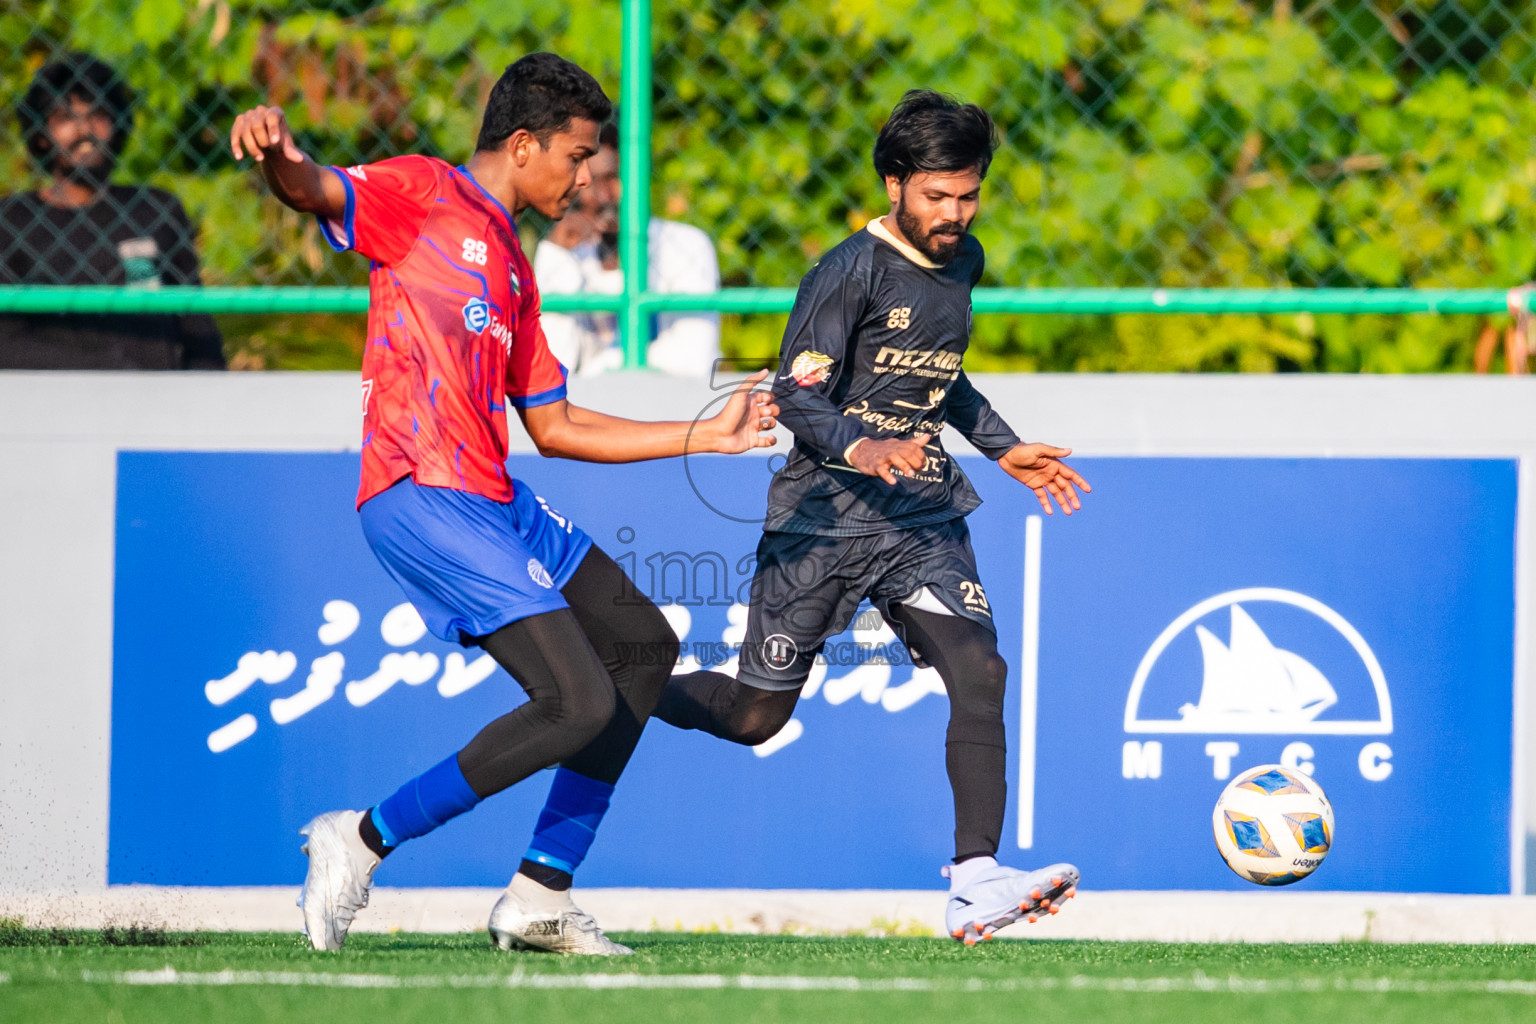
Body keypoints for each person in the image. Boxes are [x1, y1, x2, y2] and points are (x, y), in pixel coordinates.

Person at [228, 52, 778, 954]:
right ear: (522, 146)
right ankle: (360, 839)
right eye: (577, 155)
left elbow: (556, 425)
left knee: (642, 644)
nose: (588, 176)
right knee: (577, 702)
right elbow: (316, 190)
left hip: (496, 497)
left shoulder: (518, 272)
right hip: (420, 492)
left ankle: (539, 896)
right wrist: (278, 151)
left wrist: (703, 434)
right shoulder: (421, 193)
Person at [644, 91, 1092, 945]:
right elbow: (794, 395)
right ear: (894, 184)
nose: (954, 215)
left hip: (920, 516)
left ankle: (975, 881)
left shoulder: (965, 261)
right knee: (753, 717)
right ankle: (620, 690)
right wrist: (860, 446)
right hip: (823, 520)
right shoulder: (846, 271)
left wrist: (1002, 446)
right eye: (936, 197)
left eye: (968, 195)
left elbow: (939, 375)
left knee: (980, 670)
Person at [0, 53, 224, 370]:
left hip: (160, 403)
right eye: (65, 118)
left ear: (117, 124)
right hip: (56, 404)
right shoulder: (11, 222)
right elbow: (6, 344)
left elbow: (196, 324)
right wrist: (107, 374)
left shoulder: (156, 209)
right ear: (41, 135)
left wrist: (209, 397)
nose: (84, 131)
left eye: (98, 114)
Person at [533, 122, 721, 376]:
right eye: (590, 184)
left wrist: (599, 367)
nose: (602, 196)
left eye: (613, 178)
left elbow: (693, 357)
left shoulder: (684, 245)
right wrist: (554, 254)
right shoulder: (571, 255)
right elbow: (553, 366)